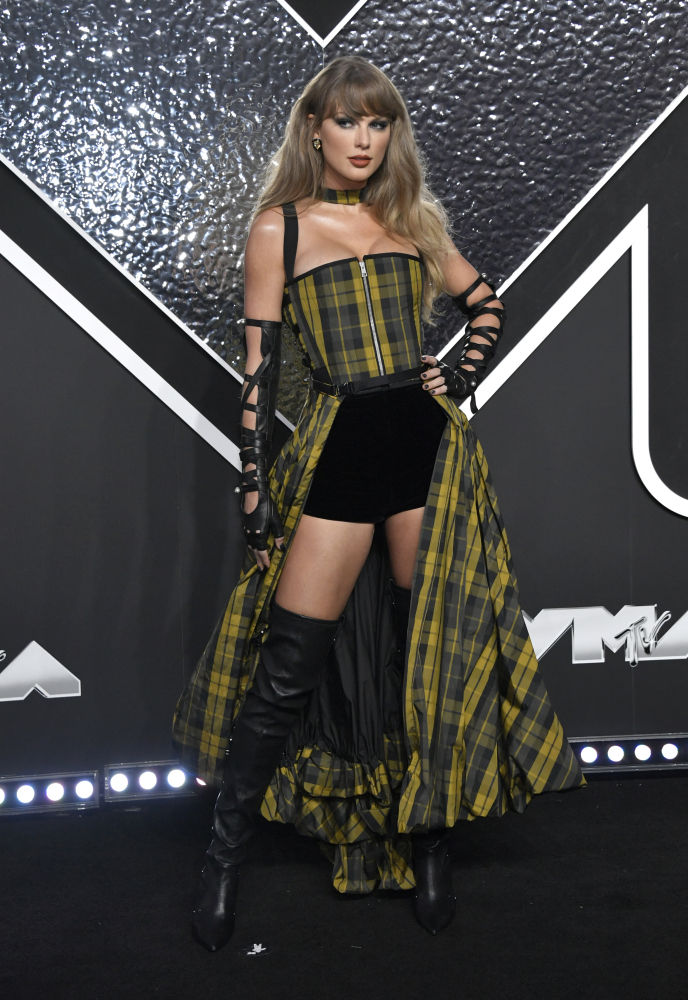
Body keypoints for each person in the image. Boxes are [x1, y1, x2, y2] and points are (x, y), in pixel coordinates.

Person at [173, 55, 583, 953]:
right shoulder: (278, 229)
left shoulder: (413, 221)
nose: (364, 139)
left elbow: (485, 307)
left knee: (421, 659)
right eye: (348, 122)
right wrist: (252, 484)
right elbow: (257, 372)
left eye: (379, 123)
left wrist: (458, 373)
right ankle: (222, 856)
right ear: (314, 130)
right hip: (338, 449)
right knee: (286, 667)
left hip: (424, 450)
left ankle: (428, 843)